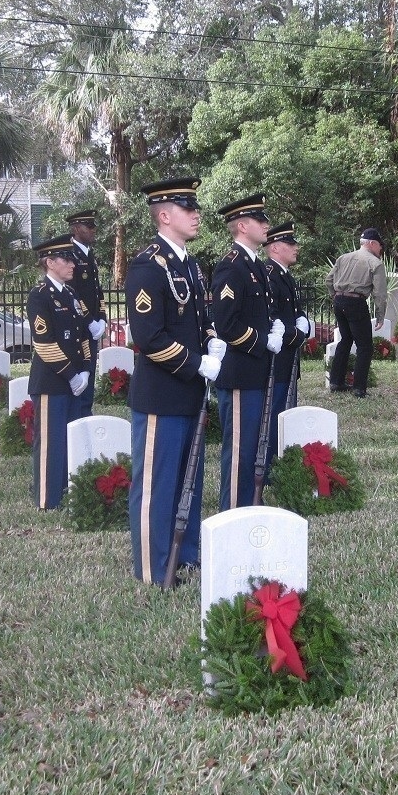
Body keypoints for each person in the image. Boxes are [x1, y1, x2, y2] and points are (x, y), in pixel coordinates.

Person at [126, 177, 225, 584]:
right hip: (161, 395)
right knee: (156, 485)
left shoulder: (188, 264)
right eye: (188, 208)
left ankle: (185, 554)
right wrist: (196, 364)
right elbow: (148, 337)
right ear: (165, 215)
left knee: (189, 480)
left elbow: (196, 321)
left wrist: (211, 341)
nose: (196, 214)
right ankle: (153, 566)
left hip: (188, 393)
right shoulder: (148, 265)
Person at [211, 193, 283, 510]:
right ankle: (233, 512)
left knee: (254, 445)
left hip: (255, 372)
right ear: (243, 225)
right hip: (240, 373)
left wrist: (273, 329)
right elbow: (226, 324)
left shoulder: (254, 266)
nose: (266, 224)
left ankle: (249, 506)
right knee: (240, 451)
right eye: (260, 220)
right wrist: (261, 340)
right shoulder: (232, 268)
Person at [26, 234, 93, 510]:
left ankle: (69, 492)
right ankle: (48, 498)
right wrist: (71, 374)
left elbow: (83, 335)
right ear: (50, 262)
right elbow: (44, 344)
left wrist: (86, 371)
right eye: (66, 259)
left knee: (72, 440)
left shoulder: (72, 294)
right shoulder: (40, 295)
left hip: (75, 381)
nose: (72, 264)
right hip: (52, 382)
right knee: (51, 443)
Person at [262, 221, 310, 472]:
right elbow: (272, 318)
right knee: (274, 416)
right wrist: (297, 334)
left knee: (285, 412)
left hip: (288, 358)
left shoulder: (283, 274)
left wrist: (304, 323)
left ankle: (279, 463)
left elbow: (293, 312)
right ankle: (270, 467)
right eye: (290, 244)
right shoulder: (270, 275)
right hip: (278, 360)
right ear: (274, 248)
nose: (296, 248)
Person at [326, 228, 387, 397]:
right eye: (380, 246)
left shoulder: (343, 258)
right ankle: (359, 388)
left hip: (339, 301)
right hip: (356, 302)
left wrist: (335, 296)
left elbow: (328, 280)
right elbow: (380, 293)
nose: (380, 250)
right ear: (372, 243)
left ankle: (336, 382)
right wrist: (381, 315)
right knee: (365, 346)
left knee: (345, 340)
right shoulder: (375, 263)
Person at [66, 208, 109, 414]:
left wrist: (102, 318)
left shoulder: (88, 253)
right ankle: (79, 416)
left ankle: (85, 413)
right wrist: (89, 320)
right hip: (78, 328)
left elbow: (96, 292)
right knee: (81, 371)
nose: (93, 229)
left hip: (91, 327)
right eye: (88, 226)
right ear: (76, 228)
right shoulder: (69, 254)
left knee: (90, 371)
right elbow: (72, 293)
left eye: (93, 225)